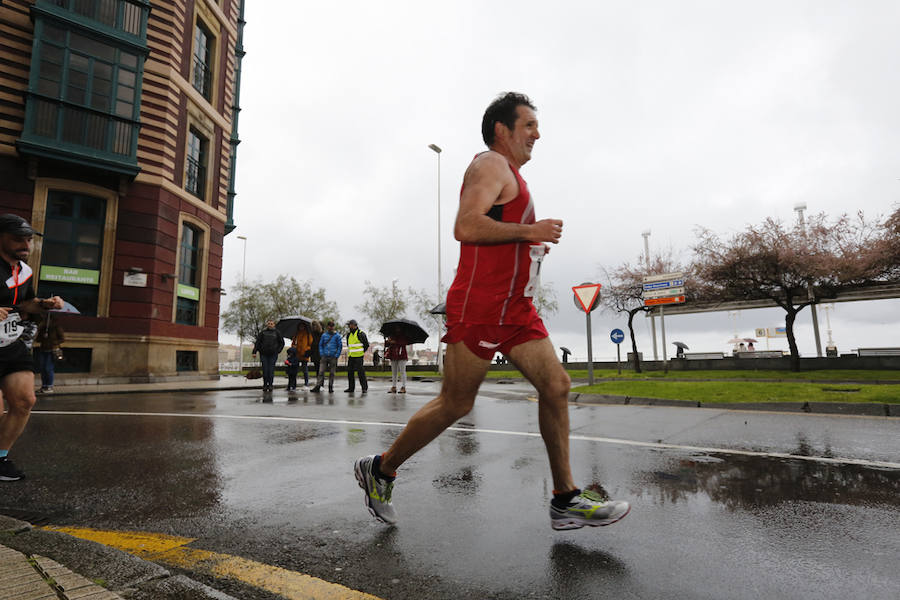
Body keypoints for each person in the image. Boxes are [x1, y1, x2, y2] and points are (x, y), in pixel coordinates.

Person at [353, 93, 630, 530]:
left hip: (516, 307)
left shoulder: (512, 174)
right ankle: (381, 468)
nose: (537, 134)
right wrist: (530, 230)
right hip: (481, 305)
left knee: (556, 385)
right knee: (455, 404)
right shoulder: (489, 165)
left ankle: (564, 498)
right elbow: (465, 225)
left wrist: (528, 247)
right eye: (529, 125)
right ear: (502, 129)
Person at [0, 214, 64, 481]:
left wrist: (44, 304)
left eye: (28, 238)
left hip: (9, 342)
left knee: (25, 400)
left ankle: (0, 459)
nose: (25, 244)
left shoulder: (24, 271)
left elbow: (24, 304)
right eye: (17, 238)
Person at [35, 313, 65, 393]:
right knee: (42, 368)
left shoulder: (56, 327)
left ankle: (49, 386)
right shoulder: (43, 328)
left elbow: (62, 339)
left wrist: (53, 341)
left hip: (52, 350)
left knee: (48, 368)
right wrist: (43, 336)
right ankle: (44, 386)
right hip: (43, 349)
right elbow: (37, 339)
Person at [251, 320, 284, 392]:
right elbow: (258, 343)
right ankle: (265, 385)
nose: (270, 325)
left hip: (273, 354)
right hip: (263, 354)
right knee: (265, 370)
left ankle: (271, 385)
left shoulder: (277, 333)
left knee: (271, 370)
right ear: (267, 324)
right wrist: (254, 352)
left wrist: (278, 350)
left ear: (274, 325)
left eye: (271, 324)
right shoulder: (263, 333)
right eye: (268, 323)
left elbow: (282, 343)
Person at [310, 320, 341, 393]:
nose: (331, 327)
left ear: (333, 327)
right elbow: (321, 345)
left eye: (332, 326)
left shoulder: (337, 336)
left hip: (333, 356)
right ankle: (318, 386)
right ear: (327, 327)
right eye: (329, 326)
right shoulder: (324, 335)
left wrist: (337, 355)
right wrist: (321, 353)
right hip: (324, 356)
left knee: (332, 373)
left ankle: (330, 386)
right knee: (321, 372)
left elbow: (339, 346)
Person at [344, 319, 369, 393]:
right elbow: (349, 345)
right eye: (349, 325)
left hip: (359, 357)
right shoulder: (348, 335)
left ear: (355, 325)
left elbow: (366, 345)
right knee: (350, 373)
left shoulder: (361, 334)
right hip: (351, 356)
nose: (349, 326)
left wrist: (361, 352)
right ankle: (351, 388)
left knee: (361, 373)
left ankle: (364, 388)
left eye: (350, 325)